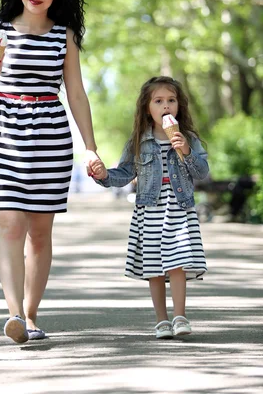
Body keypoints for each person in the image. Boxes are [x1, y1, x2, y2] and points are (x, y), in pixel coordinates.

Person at [0, 0, 100, 344]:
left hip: (50, 135)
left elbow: (76, 94)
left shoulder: (65, 37)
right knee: (10, 224)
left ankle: (30, 314)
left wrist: (90, 148)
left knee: (40, 233)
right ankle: (12, 315)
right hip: (2, 132)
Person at [90, 76, 209, 339]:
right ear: (147, 108)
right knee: (154, 266)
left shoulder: (187, 137)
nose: (166, 106)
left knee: (177, 262)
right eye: (158, 101)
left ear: (179, 106)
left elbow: (202, 172)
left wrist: (186, 151)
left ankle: (180, 316)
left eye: (171, 100)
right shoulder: (138, 141)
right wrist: (103, 175)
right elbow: (123, 173)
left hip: (179, 208)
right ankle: (161, 320)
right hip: (150, 209)